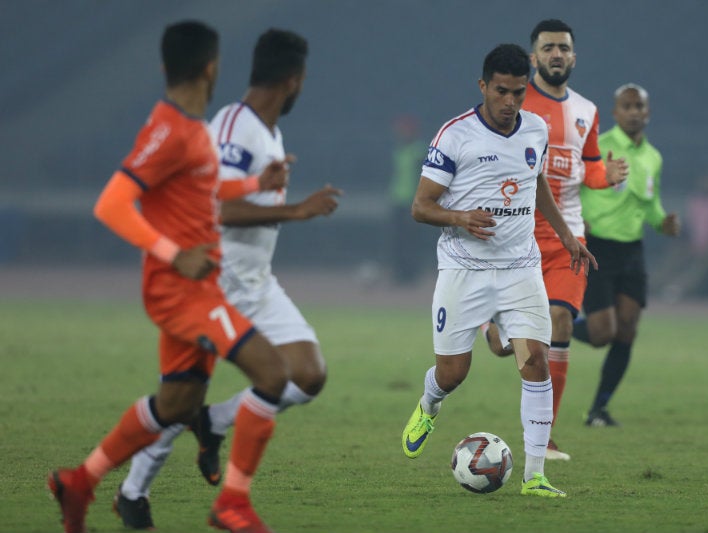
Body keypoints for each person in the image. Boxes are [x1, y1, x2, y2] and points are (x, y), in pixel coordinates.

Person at [47, 21, 295, 533]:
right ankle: (233, 504)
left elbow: (202, 191)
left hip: (197, 286)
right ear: (212, 66)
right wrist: (173, 253)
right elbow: (111, 203)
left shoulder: (191, 129)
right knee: (272, 374)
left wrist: (255, 182)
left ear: (166, 66)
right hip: (181, 290)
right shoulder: (171, 131)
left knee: (177, 404)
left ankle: (81, 480)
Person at [111, 29, 341, 530]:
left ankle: (213, 424)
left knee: (308, 373)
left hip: (256, 282)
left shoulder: (269, 132)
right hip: (215, 280)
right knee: (179, 398)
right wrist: (298, 211)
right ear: (294, 80)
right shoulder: (234, 126)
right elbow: (215, 206)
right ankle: (132, 492)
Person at [400, 43, 596, 498]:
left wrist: (569, 238)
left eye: (519, 93)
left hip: (520, 269)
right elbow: (420, 207)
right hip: (463, 269)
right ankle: (430, 404)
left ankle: (535, 477)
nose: (510, 103)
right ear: (483, 86)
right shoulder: (454, 136)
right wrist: (460, 217)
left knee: (536, 363)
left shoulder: (536, 129)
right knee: (452, 374)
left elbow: (537, 181)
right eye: (502, 92)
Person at [481, 19, 627, 461]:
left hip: (569, 237)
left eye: (563, 48)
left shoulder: (587, 110)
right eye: (548, 48)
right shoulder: (517, 104)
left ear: (574, 56)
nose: (557, 54)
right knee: (526, 341)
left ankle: (544, 438)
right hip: (519, 233)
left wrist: (608, 176)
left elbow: (589, 166)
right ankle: (497, 322)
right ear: (534, 57)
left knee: (560, 324)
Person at [572, 83, 680, 427]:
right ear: (616, 112)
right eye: (627, 106)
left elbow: (650, 205)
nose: (634, 112)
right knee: (603, 333)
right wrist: (576, 219)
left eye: (640, 106)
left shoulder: (653, 157)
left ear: (647, 112)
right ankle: (553, 321)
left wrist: (663, 223)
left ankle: (598, 410)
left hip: (632, 251)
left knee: (627, 330)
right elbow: (572, 186)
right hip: (598, 247)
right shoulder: (598, 147)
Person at [388, 114, 435, 284]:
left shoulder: (419, 151)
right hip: (398, 200)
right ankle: (399, 273)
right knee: (398, 240)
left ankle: (411, 274)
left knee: (411, 241)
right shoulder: (399, 150)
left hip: (412, 202)